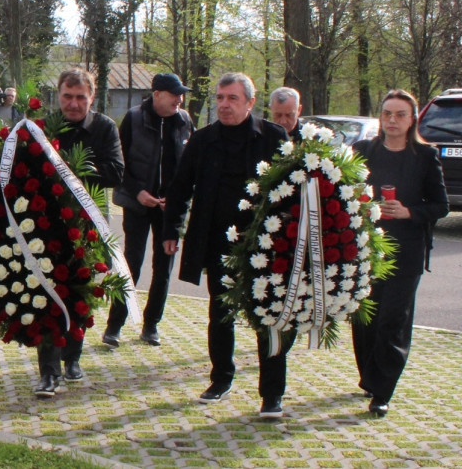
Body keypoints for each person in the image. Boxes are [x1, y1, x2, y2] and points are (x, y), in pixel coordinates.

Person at [162, 72, 295, 418]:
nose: (224, 104)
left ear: (250, 102)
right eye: (220, 97)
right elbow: (180, 188)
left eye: (232, 98)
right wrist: (171, 230)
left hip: (265, 247)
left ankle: (272, 395)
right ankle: (221, 378)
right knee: (219, 315)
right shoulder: (203, 140)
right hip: (216, 242)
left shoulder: (273, 137)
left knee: (268, 319)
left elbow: (294, 190)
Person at [351, 89, 448, 417]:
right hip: (365, 247)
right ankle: (369, 376)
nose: (392, 120)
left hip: (406, 250)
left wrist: (409, 212)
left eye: (400, 115)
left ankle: (382, 389)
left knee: (393, 320)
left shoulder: (424, 156)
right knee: (366, 319)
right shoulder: (363, 151)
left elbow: (441, 206)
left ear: (412, 120)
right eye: (387, 114)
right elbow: (343, 192)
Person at [34, 68, 124, 398]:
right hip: (48, 225)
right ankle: (48, 371)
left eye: (80, 98)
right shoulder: (44, 128)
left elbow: (116, 172)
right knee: (47, 295)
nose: (73, 104)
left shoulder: (104, 128)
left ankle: (73, 356)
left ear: (92, 97)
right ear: (58, 95)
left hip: (89, 225)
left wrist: (73, 170)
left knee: (80, 293)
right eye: (67, 97)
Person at [104, 73, 195, 348]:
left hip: (169, 209)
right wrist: (138, 192)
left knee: (164, 267)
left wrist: (177, 198)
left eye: (181, 94)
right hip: (137, 204)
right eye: (173, 93)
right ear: (157, 94)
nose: (179, 99)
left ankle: (151, 324)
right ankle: (114, 325)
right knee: (131, 264)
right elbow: (119, 164)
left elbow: (187, 167)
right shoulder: (133, 118)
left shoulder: (185, 121)